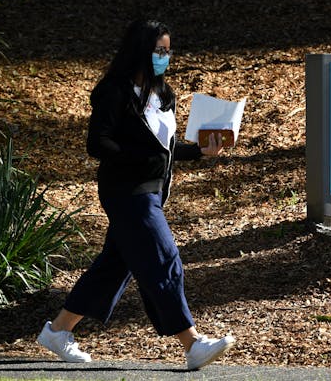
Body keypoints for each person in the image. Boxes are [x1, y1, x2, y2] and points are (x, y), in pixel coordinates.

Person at [37, 20, 235, 370]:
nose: (165, 56)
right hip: (126, 192)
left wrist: (201, 151)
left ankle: (58, 330)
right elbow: (98, 143)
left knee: (115, 265)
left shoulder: (163, 94)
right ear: (140, 51)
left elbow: (165, 148)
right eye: (159, 50)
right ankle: (192, 343)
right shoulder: (115, 91)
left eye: (168, 50)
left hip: (154, 191)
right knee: (163, 257)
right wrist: (138, 158)